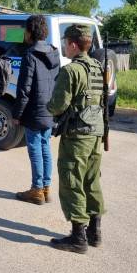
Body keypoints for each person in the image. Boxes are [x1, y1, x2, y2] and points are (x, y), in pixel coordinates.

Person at [48, 24, 106, 254]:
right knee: (91, 181)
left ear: (73, 44)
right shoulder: (97, 67)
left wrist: (47, 107)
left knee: (72, 180)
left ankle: (78, 237)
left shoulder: (71, 70)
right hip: (96, 132)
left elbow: (58, 105)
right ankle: (95, 231)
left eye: (65, 42)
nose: (64, 46)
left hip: (77, 134)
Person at [13, 15, 60, 205]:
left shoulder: (30, 55)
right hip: (50, 109)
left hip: (34, 111)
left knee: (35, 150)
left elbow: (24, 89)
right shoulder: (54, 53)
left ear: (30, 32)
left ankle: (37, 190)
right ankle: (46, 188)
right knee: (45, 148)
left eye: (25, 30)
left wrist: (17, 114)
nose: (24, 34)